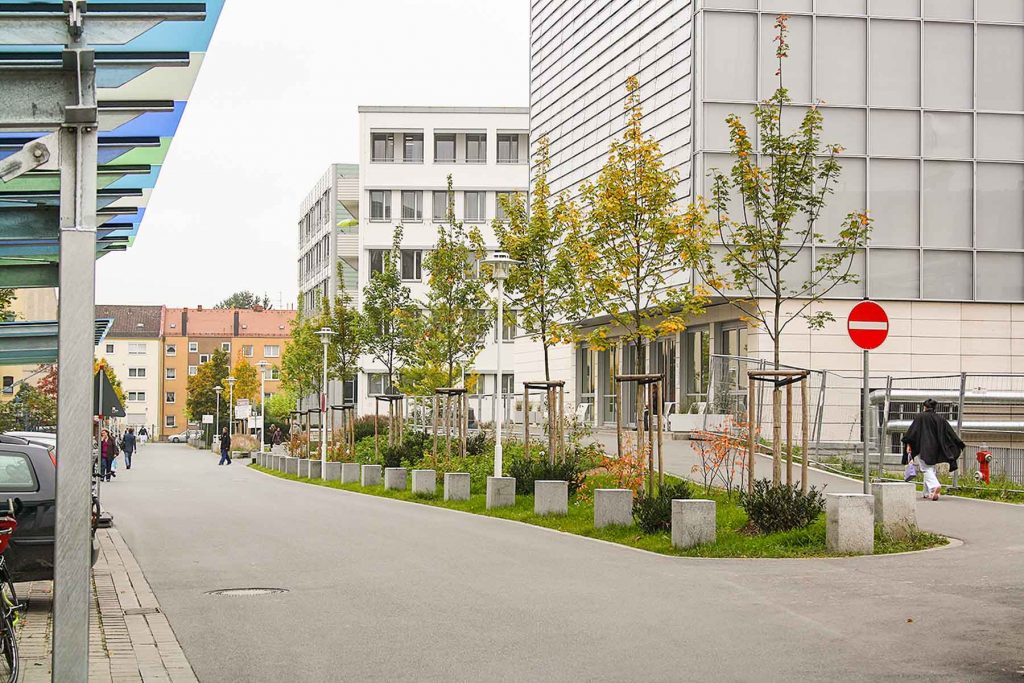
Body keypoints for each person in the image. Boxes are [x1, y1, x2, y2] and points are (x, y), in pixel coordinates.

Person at [901, 398, 965, 501]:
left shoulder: (920, 417)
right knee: (931, 468)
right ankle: (927, 493)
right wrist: (958, 444)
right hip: (936, 448)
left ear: (925, 407)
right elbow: (950, 432)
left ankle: (934, 486)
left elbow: (912, 432)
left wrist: (909, 444)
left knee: (926, 468)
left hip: (923, 447)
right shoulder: (940, 418)